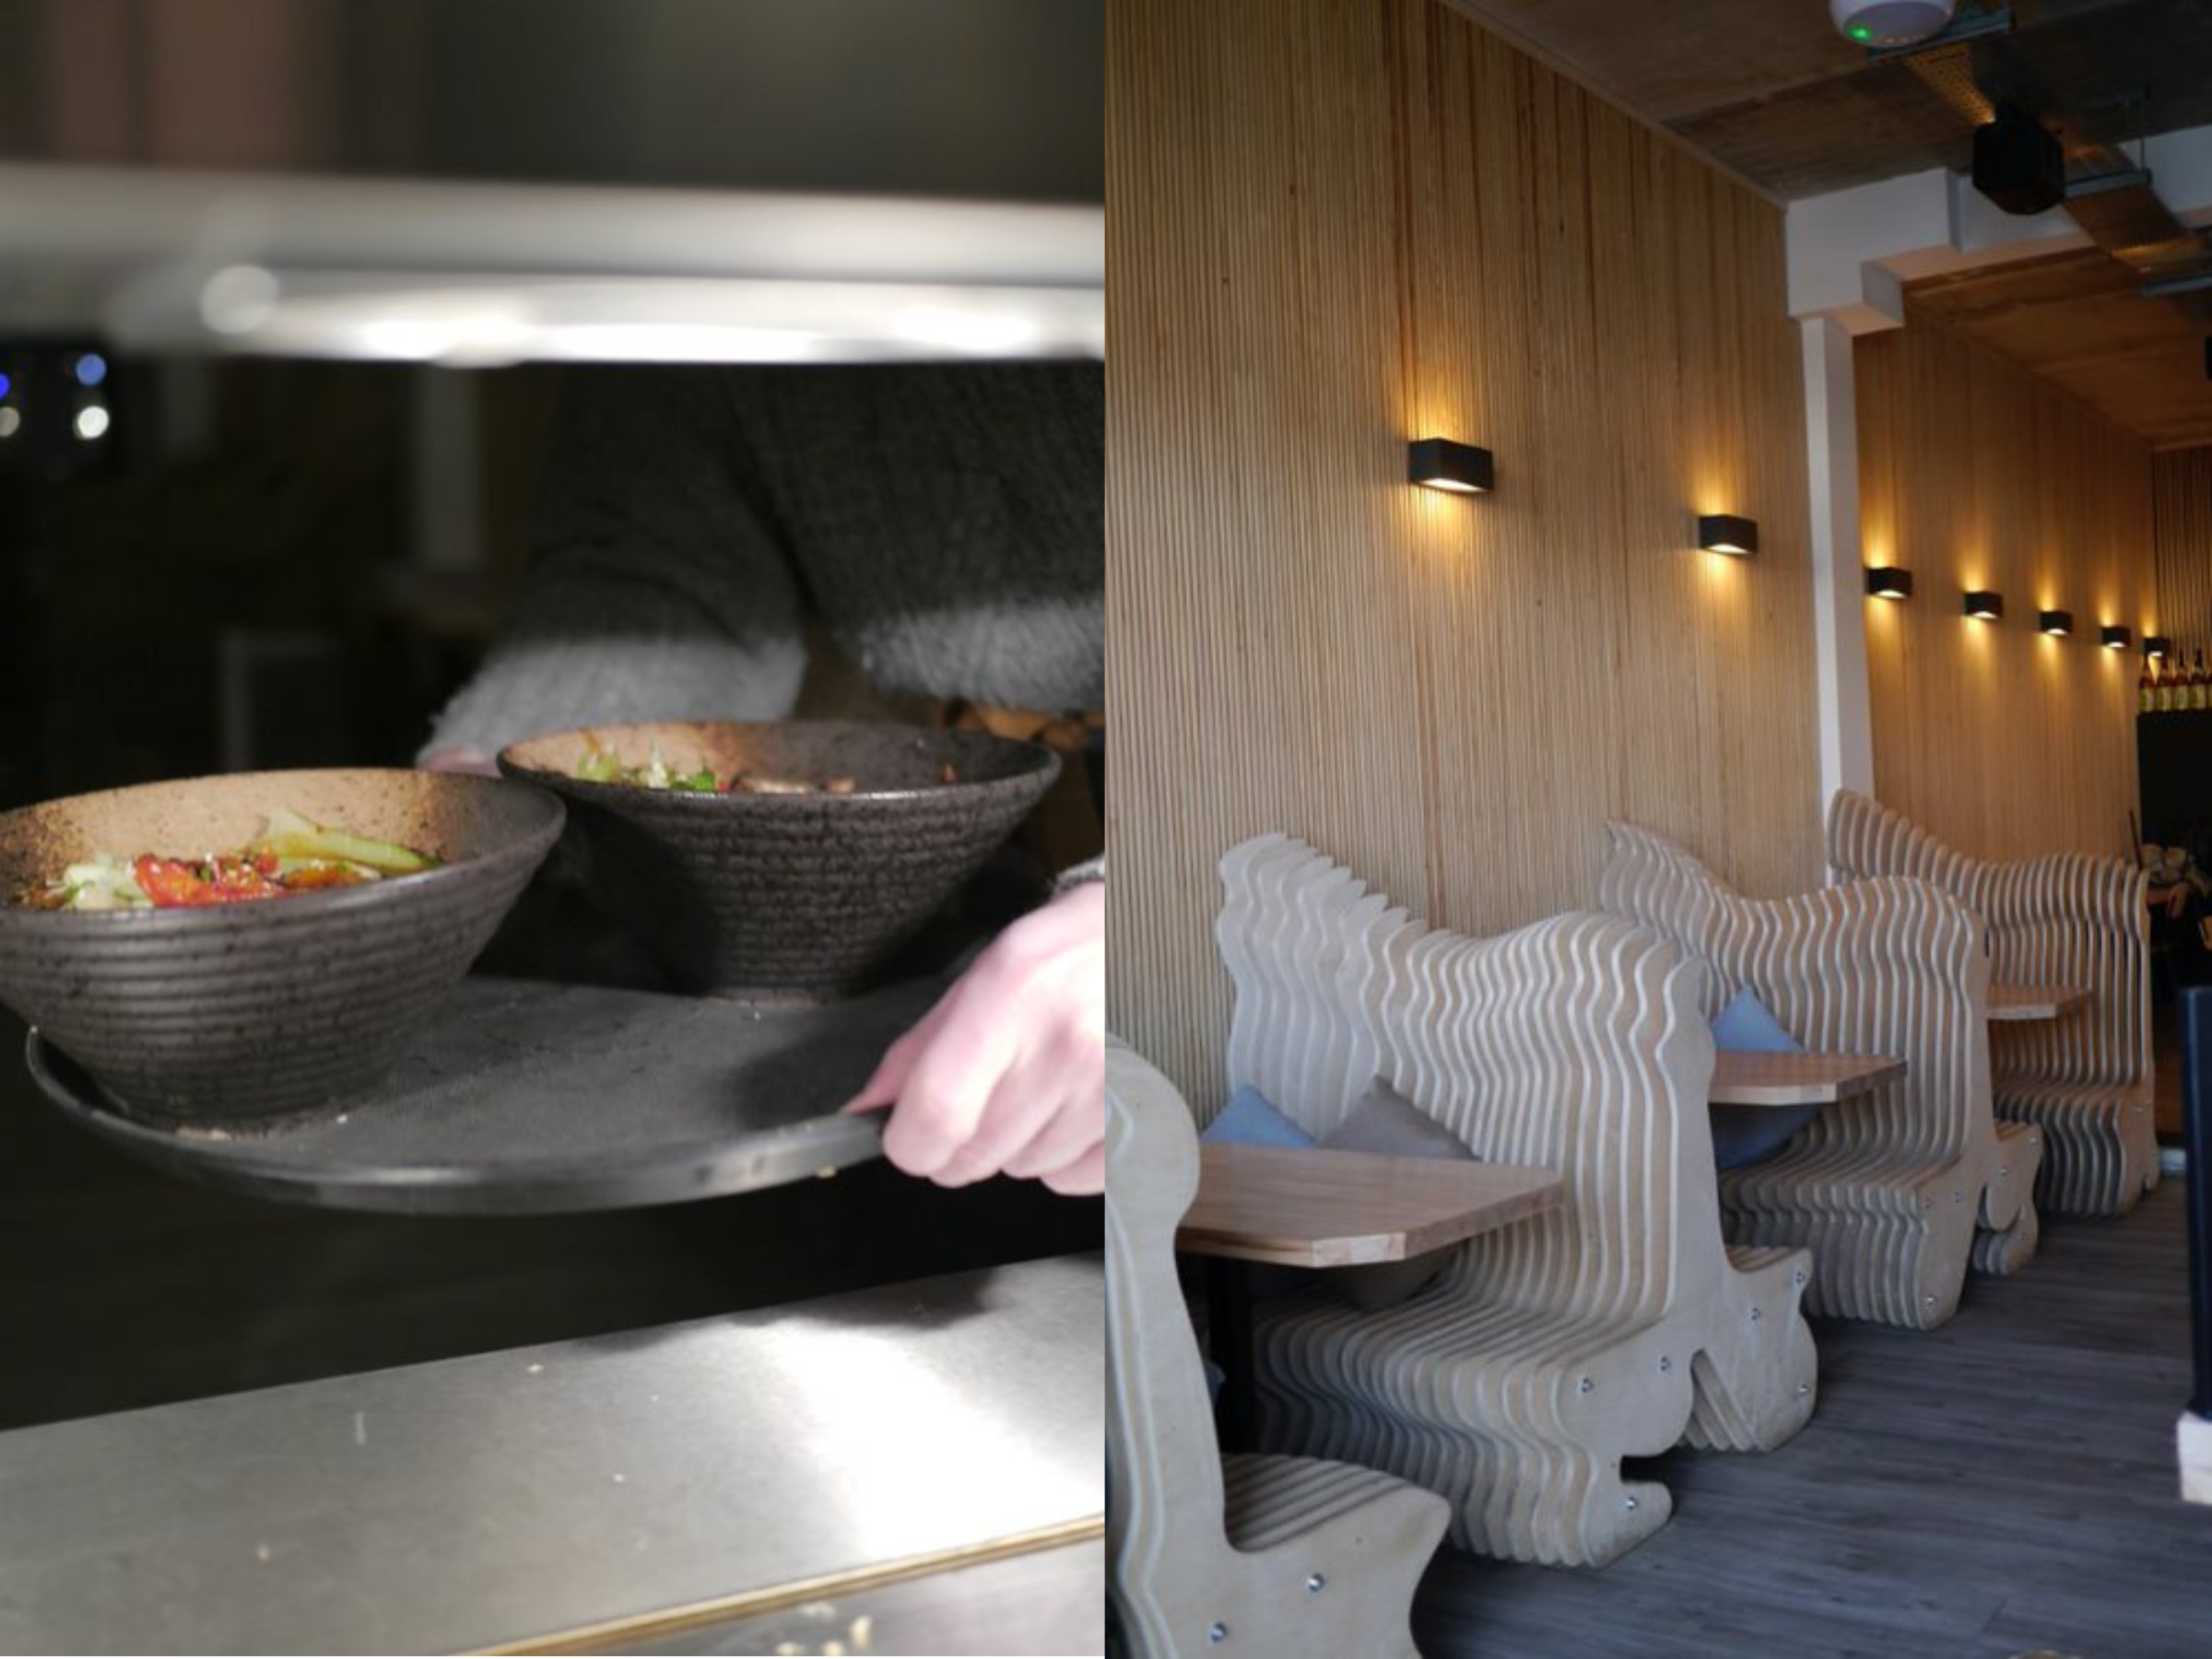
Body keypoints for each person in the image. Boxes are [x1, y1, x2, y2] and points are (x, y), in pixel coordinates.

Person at [420, 359, 1102, 1194]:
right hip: (980, 901)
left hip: (1260, 847)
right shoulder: (692, 264)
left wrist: (1187, 908)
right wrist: (509, 769)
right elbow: (661, 557)